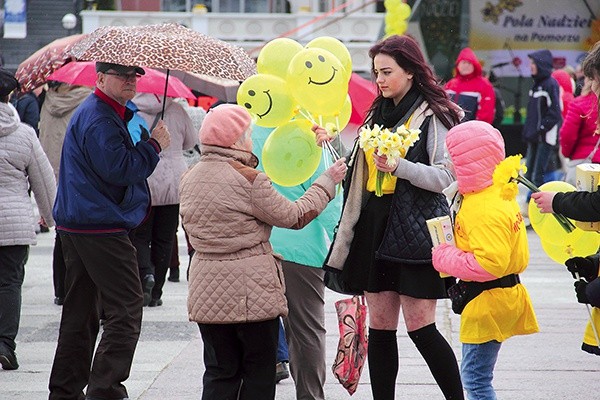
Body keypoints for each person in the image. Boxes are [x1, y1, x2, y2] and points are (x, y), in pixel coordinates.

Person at [317, 34, 464, 400]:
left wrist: (402, 167)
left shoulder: (436, 115)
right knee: (381, 329)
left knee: (421, 328)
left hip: (415, 231)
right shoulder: (375, 113)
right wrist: (333, 142)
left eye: (387, 72)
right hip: (373, 228)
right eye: (376, 72)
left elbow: (446, 177)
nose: (379, 80)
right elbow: (361, 169)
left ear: (411, 72)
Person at [179, 103, 346, 400]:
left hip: (206, 287)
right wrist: (327, 181)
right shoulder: (250, 180)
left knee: (219, 372)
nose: (250, 139)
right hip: (250, 292)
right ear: (233, 140)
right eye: (246, 134)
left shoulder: (189, 177)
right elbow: (295, 215)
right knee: (258, 370)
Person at [48, 61, 171, 400]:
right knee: (127, 306)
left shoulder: (107, 112)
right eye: (122, 76)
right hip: (98, 223)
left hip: (84, 220)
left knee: (81, 310)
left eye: (134, 76)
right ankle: (105, 389)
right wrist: (154, 146)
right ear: (100, 78)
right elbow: (119, 169)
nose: (131, 82)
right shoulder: (100, 116)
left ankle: (65, 390)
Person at [432, 120, 539, 400]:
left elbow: (490, 263)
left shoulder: (481, 207)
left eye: (452, 158)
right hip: (502, 296)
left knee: (476, 381)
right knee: (478, 377)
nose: (449, 165)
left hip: (487, 302)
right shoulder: (496, 194)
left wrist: (445, 256)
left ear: (467, 162)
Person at [252, 124, 344, 398]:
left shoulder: (248, 130)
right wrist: (343, 245)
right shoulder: (304, 134)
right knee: (306, 331)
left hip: (257, 245)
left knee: (258, 330)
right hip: (301, 248)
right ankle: (310, 395)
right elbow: (327, 199)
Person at [0, 68, 56, 370]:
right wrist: (51, 217)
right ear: (10, 96)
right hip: (14, 224)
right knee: (9, 283)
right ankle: (5, 344)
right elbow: (44, 181)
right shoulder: (24, 134)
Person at [131, 92, 196, 307]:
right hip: (173, 181)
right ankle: (157, 291)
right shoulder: (176, 109)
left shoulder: (133, 111)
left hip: (144, 178)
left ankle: (145, 275)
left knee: (140, 235)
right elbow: (190, 142)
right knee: (166, 238)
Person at [38, 81, 92, 306]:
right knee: (73, 231)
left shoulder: (49, 99)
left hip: (50, 168)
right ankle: (73, 286)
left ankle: (60, 289)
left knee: (61, 232)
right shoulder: (87, 100)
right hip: (75, 170)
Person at [521, 49, 563, 192]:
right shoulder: (536, 84)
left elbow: (555, 112)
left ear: (541, 64)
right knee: (528, 174)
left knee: (538, 175)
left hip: (544, 137)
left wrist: (542, 128)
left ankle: (538, 207)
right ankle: (529, 203)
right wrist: (529, 131)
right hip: (534, 137)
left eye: (533, 63)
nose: (530, 66)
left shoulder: (550, 84)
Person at [559, 76, 600, 185]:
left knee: (578, 200)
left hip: (584, 164)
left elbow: (567, 135)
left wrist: (567, 154)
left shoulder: (580, 103)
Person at [444, 47, 496, 124]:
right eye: (463, 63)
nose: (466, 66)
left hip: (473, 131)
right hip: (450, 128)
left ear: (475, 65)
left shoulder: (484, 85)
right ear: (458, 65)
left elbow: (486, 113)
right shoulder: (450, 84)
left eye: (469, 63)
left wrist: (477, 129)